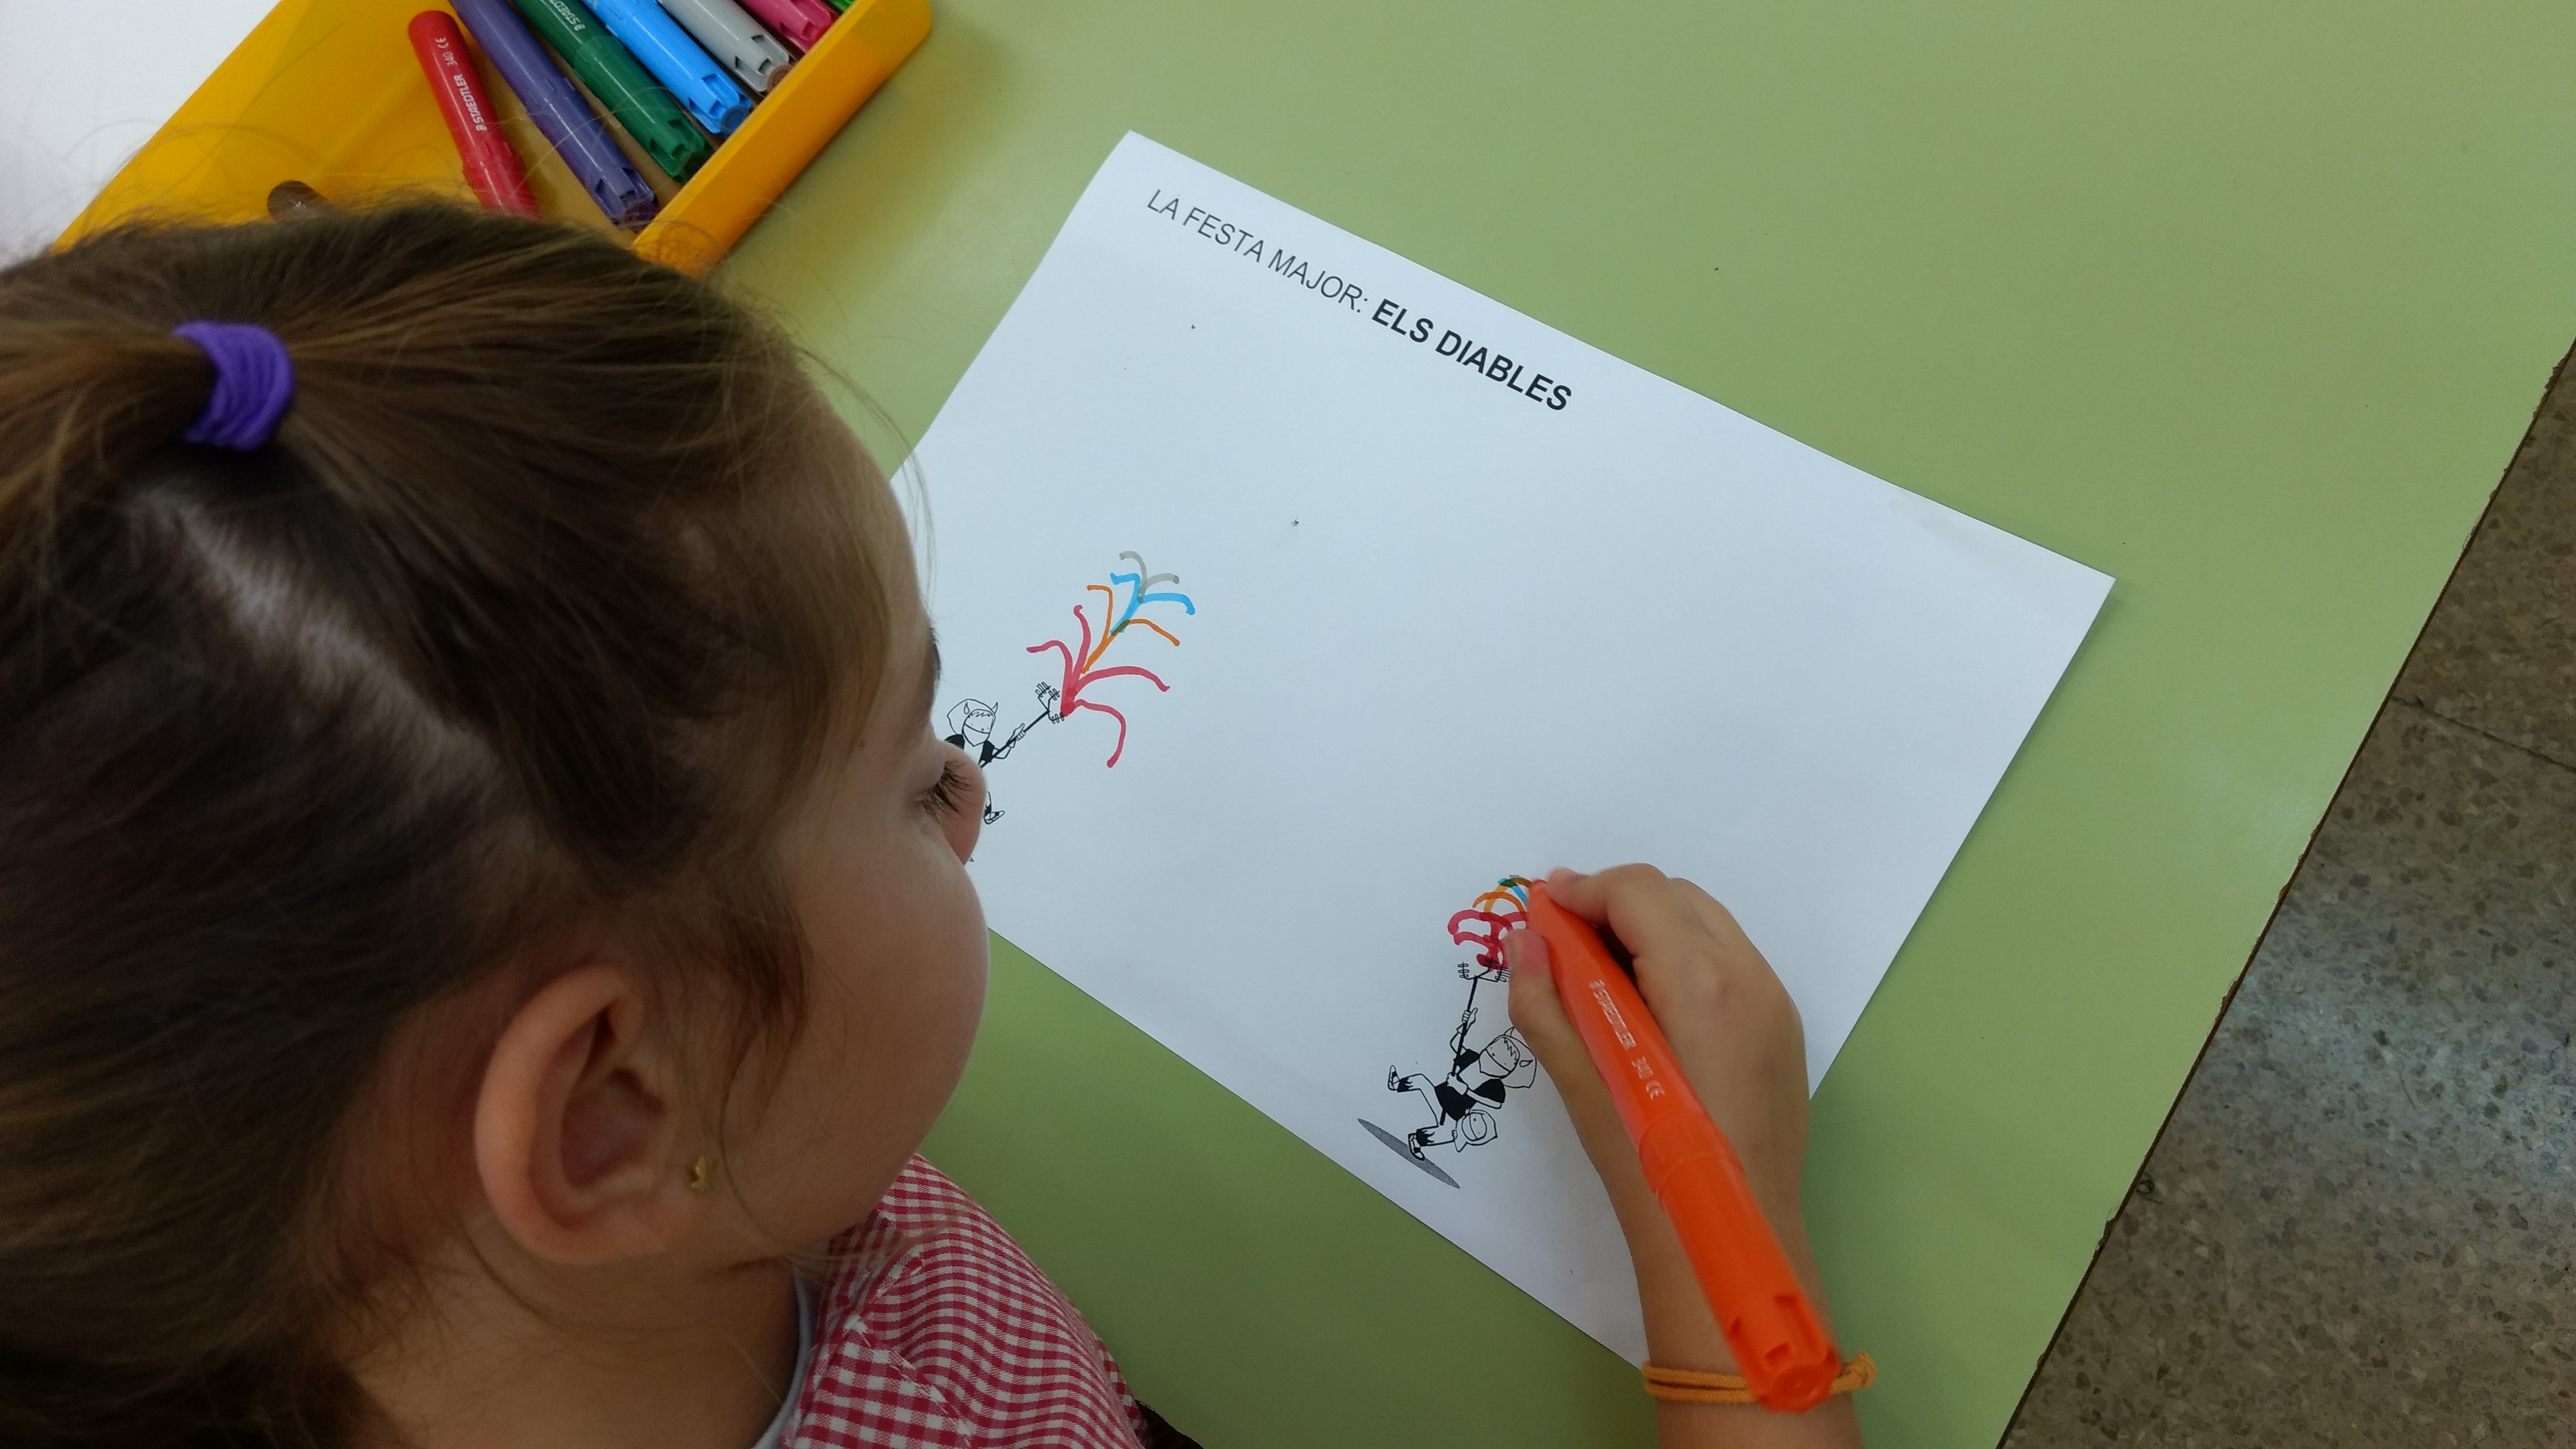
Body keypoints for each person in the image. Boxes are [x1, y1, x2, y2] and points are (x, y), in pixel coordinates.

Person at [0, 203, 1862, 1449]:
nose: (974, 794)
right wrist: (1731, 1284)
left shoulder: (589, 1207)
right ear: (612, 1111)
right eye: (914, 775)